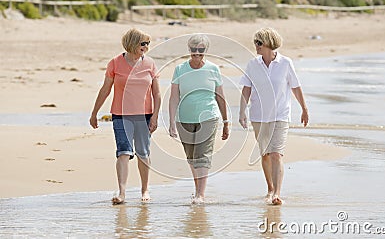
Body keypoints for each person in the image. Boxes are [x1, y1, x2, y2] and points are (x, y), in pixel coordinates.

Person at [90, 28, 161, 204]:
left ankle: (145, 190)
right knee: (123, 152)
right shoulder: (115, 63)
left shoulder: (150, 64)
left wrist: (155, 117)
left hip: (144, 115)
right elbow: (105, 89)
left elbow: (157, 95)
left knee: (143, 153)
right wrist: (94, 113)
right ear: (132, 43)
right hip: (121, 115)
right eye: (142, 43)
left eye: (148, 44)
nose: (146, 47)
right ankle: (122, 192)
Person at [239, 27, 308, 205]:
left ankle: (277, 193)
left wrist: (304, 109)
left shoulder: (286, 63)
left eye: (259, 43)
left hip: (280, 115)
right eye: (255, 42)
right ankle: (269, 188)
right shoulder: (252, 64)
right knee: (265, 154)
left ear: (269, 43)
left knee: (276, 153)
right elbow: (246, 89)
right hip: (258, 116)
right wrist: (241, 111)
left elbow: (295, 87)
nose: (256, 46)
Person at [169, 34, 229, 204]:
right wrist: (172, 122)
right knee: (191, 158)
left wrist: (226, 122)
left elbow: (220, 97)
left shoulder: (213, 69)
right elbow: (174, 97)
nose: (197, 53)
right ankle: (198, 190)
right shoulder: (180, 69)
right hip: (184, 119)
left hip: (208, 117)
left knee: (202, 156)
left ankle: (200, 194)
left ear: (206, 50)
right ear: (189, 50)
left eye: (201, 50)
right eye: (194, 49)